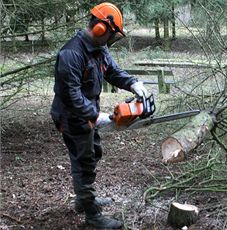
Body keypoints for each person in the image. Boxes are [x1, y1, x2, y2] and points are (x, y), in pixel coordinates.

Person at [50, 2, 148, 229]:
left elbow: (113, 72)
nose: (110, 39)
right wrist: (95, 115)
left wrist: (133, 83)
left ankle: (84, 200)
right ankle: (92, 215)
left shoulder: (99, 48)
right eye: (111, 34)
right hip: (71, 116)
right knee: (84, 162)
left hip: (86, 112)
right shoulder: (71, 54)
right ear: (100, 29)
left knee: (93, 154)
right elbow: (71, 95)